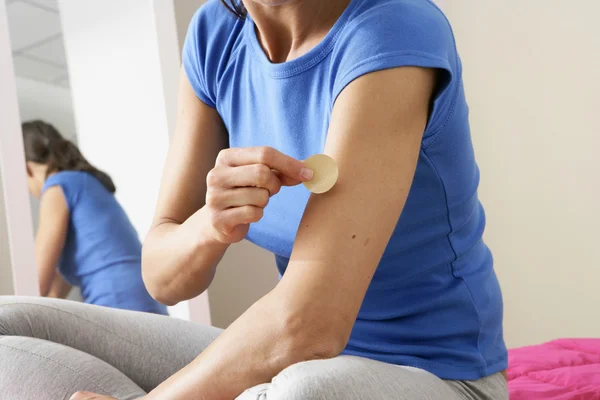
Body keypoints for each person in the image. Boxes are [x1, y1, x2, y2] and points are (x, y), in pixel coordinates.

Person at [0, 0, 508, 399]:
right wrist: (210, 224)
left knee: (301, 393)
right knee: (10, 321)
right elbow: (162, 277)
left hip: (434, 373)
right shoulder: (214, 36)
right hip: (302, 357)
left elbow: (311, 323)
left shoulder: (392, 27)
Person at [19, 120, 167, 315]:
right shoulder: (86, 182)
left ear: (27, 169)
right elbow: (54, 292)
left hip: (117, 299)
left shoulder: (56, 187)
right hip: (144, 294)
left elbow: (35, 284)